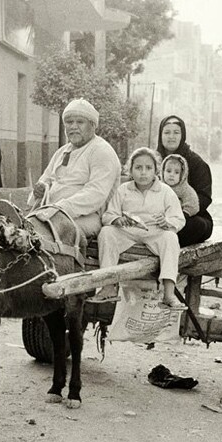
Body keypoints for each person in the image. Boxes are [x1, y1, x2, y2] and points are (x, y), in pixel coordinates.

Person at [91, 147, 186, 309]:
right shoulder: (123, 190)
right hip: (128, 232)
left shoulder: (165, 191)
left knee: (171, 238)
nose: (143, 173)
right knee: (106, 232)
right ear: (130, 170)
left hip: (155, 232)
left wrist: (167, 222)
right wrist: (117, 220)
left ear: (156, 171)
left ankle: (169, 293)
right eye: (138, 168)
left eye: (148, 168)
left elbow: (179, 218)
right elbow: (108, 215)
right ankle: (108, 287)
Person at [28, 98, 121, 237]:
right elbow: (46, 179)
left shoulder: (101, 151)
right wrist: (40, 189)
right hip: (51, 211)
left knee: (48, 233)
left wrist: (60, 209)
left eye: (80, 122)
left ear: (93, 125)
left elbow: (96, 194)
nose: (73, 127)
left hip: (87, 216)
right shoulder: (62, 152)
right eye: (69, 122)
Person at [156, 115, 213, 245]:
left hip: (190, 216)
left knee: (195, 226)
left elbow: (204, 197)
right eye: (167, 132)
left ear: (182, 135)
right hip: (157, 215)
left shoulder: (196, 163)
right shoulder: (153, 160)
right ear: (160, 135)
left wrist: (177, 211)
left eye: (176, 132)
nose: (171, 136)